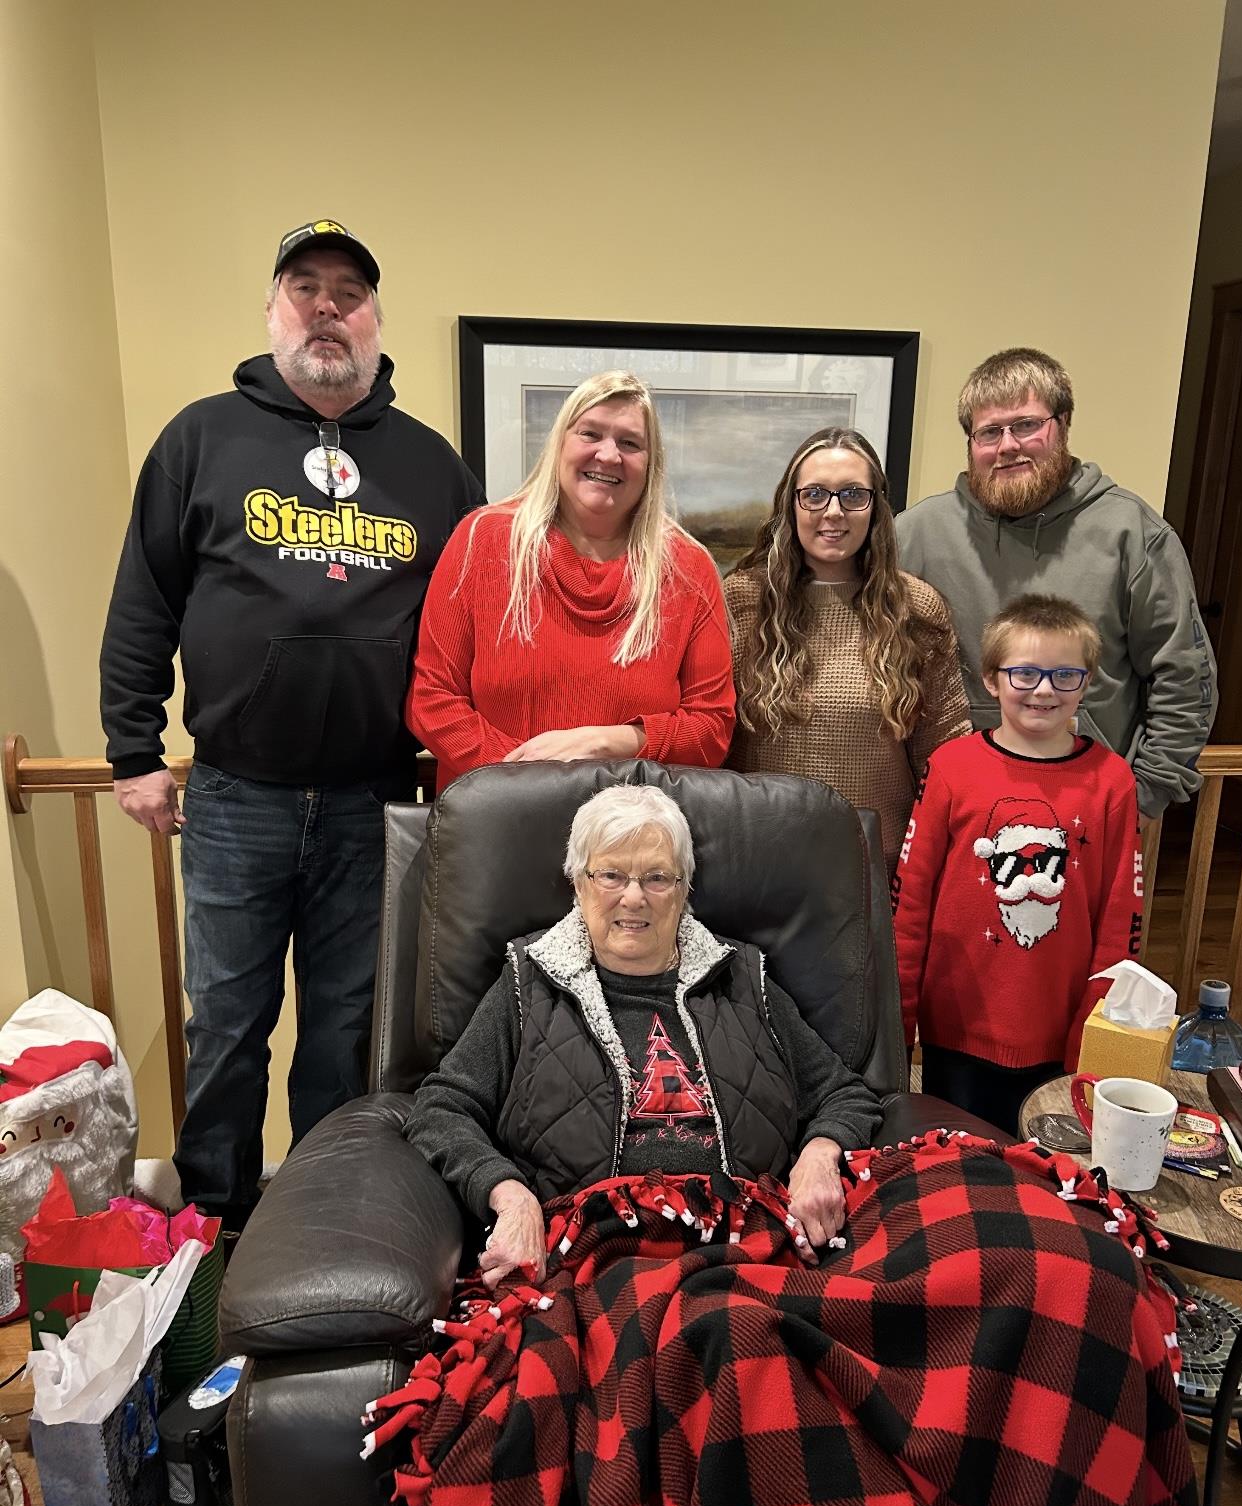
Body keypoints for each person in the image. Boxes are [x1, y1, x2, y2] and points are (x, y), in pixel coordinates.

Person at [350, 784, 1200, 1506]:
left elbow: (843, 1089)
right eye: (612, 876)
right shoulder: (526, 986)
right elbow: (441, 1105)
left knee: (1059, 1263)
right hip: (616, 1245)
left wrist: (821, 1154)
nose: (634, 898)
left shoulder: (744, 977)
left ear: (686, 889)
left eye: (658, 879)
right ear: (576, 883)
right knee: (732, 1339)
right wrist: (509, 1195)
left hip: (767, 1223)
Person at [99, 219, 483, 1230]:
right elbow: (145, 598)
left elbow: (477, 618)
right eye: (305, 287)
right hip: (235, 795)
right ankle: (217, 1222)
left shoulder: (432, 465)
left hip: (374, 799)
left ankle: (325, 1218)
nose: (327, 307)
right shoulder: (201, 437)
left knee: (346, 1030)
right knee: (226, 1024)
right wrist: (133, 749)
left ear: (374, 321)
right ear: (273, 310)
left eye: (347, 293)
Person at [896, 347, 1216, 821]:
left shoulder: (1135, 535)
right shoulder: (914, 535)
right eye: (988, 432)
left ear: (1062, 425)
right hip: (949, 809)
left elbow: (1184, 678)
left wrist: (1143, 797)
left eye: (1026, 425)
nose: (1007, 445)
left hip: (1089, 809)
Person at [406, 371, 735, 791]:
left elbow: (712, 729)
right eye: (590, 433)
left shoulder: (689, 569)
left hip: (632, 837)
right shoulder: (482, 541)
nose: (609, 455)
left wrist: (609, 743)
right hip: (494, 822)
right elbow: (432, 700)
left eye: (630, 443)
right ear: (560, 443)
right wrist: (533, 780)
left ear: (651, 464)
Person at [893, 594, 1142, 1132]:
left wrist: (1091, 1033)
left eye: (1064, 675)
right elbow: (911, 904)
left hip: (1059, 1032)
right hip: (955, 1027)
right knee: (959, 1168)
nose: (1044, 690)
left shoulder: (1112, 782)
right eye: (1024, 673)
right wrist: (900, 1022)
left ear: (1088, 681)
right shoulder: (952, 767)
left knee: (1046, 1183)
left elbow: (1121, 922)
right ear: (991, 678)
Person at [725, 427, 969, 871]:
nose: (833, 512)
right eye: (815, 494)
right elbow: (714, 742)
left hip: (876, 863)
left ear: (875, 507)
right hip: (760, 857)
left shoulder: (916, 608)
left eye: (853, 495)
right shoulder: (743, 602)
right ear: (791, 503)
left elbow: (945, 755)